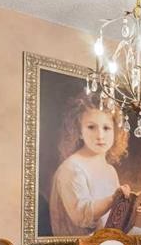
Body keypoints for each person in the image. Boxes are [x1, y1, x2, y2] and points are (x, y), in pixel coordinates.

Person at [48, 95, 134, 236]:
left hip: (106, 244)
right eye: (91, 127)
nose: (100, 135)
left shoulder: (110, 170)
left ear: (115, 132)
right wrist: (113, 199)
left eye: (106, 128)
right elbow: (81, 216)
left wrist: (130, 209)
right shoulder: (71, 168)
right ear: (79, 131)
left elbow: (112, 221)